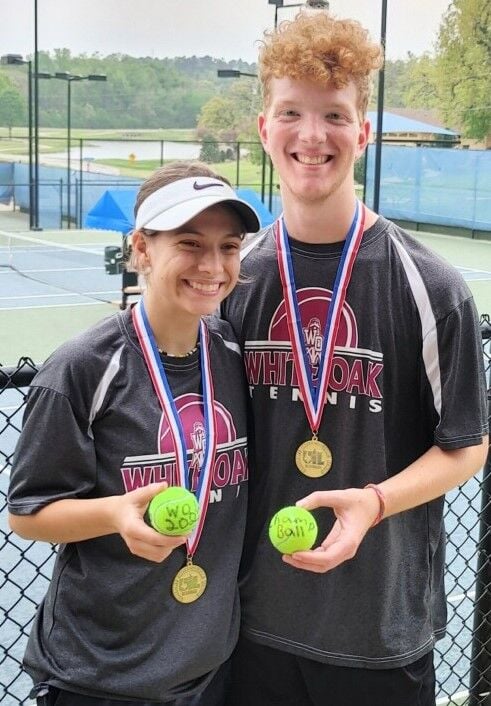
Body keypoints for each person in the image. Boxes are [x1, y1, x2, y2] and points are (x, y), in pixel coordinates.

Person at [222, 11, 489, 706]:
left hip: (377, 636)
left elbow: (464, 445)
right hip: (248, 625)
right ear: (264, 129)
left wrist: (373, 503)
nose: (311, 136)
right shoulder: (232, 282)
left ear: (362, 132)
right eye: (291, 113)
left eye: (334, 116)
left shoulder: (428, 286)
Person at [7, 161, 260, 706]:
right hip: (99, 676)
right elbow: (27, 514)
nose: (213, 266)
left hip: (207, 667)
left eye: (229, 246)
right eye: (190, 244)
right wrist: (113, 514)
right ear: (142, 249)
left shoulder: (235, 359)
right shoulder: (82, 368)